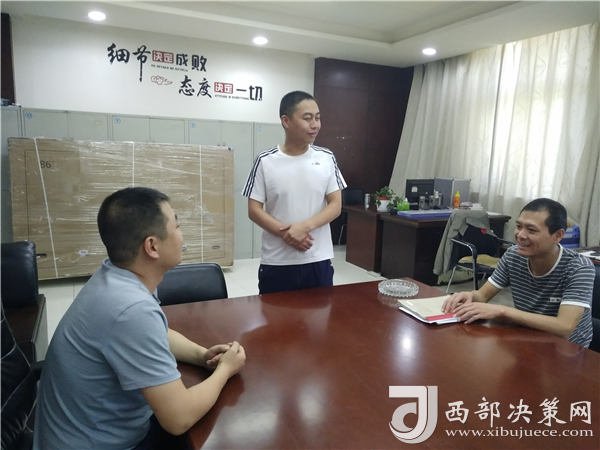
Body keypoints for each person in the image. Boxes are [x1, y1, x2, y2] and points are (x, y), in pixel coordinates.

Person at [33, 187, 246, 450]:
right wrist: (225, 370)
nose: (182, 236)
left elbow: (157, 333)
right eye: (177, 226)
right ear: (152, 246)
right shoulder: (130, 309)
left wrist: (202, 356)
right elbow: (178, 418)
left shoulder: (117, 276)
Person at [442, 198, 594, 347]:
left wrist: (502, 311)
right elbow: (483, 295)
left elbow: (564, 327)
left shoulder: (578, 267)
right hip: (529, 336)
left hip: (568, 349)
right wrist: (470, 296)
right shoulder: (513, 255)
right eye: (519, 226)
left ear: (558, 235)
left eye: (531, 230)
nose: (520, 235)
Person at [243, 91, 347, 294]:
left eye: (317, 118)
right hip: (277, 261)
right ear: (286, 121)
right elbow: (254, 210)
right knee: (274, 314)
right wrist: (288, 234)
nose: (315, 125)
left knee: (320, 313)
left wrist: (303, 228)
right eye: (307, 118)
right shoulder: (265, 160)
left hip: (318, 259)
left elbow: (335, 205)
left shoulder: (326, 158)